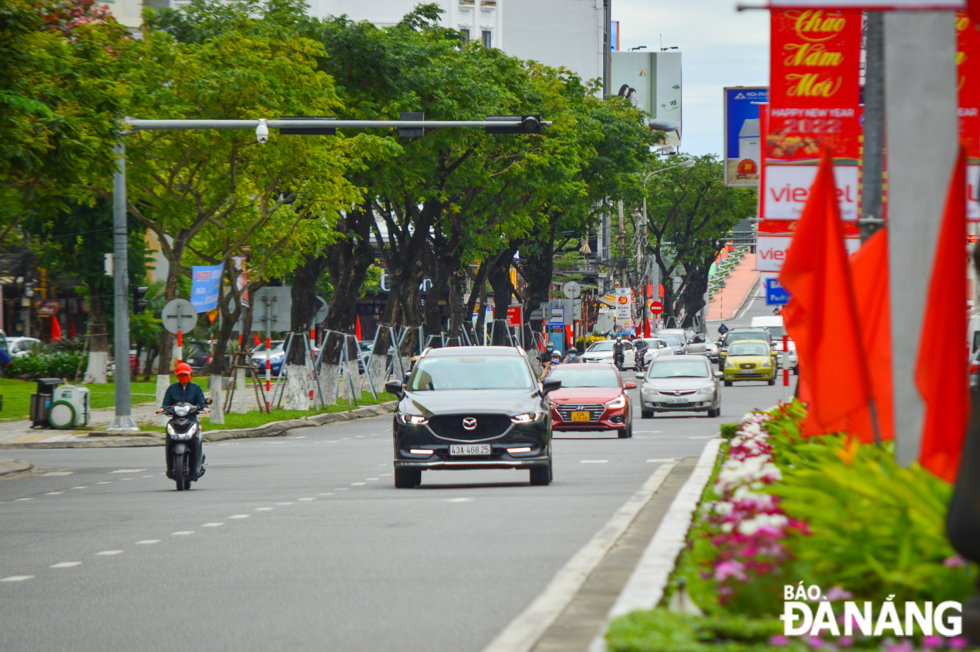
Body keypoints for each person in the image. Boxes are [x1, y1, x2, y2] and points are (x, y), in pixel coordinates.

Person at [157, 362, 209, 479]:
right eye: (180, 375)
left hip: (191, 420)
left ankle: (196, 465)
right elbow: (166, 403)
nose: (183, 377)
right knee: (168, 437)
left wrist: (205, 408)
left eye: (185, 375)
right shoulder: (172, 388)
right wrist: (162, 408)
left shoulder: (196, 388)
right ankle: (170, 467)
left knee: (197, 438)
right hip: (176, 420)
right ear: (176, 376)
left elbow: (201, 401)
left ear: (190, 375)